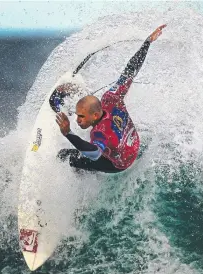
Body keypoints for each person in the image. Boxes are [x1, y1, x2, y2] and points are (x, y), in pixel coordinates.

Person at [55, 24, 167, 173]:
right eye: (77, 115)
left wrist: (68, 133)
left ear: (95, 115)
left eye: (81, 116)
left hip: (119, 163)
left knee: (65, 156)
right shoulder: (111, 98)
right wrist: (147, 42)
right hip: (134, 144)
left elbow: (95, 154)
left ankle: (83, 173)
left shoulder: (100, 132)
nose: (78, 120)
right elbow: (130, 71)